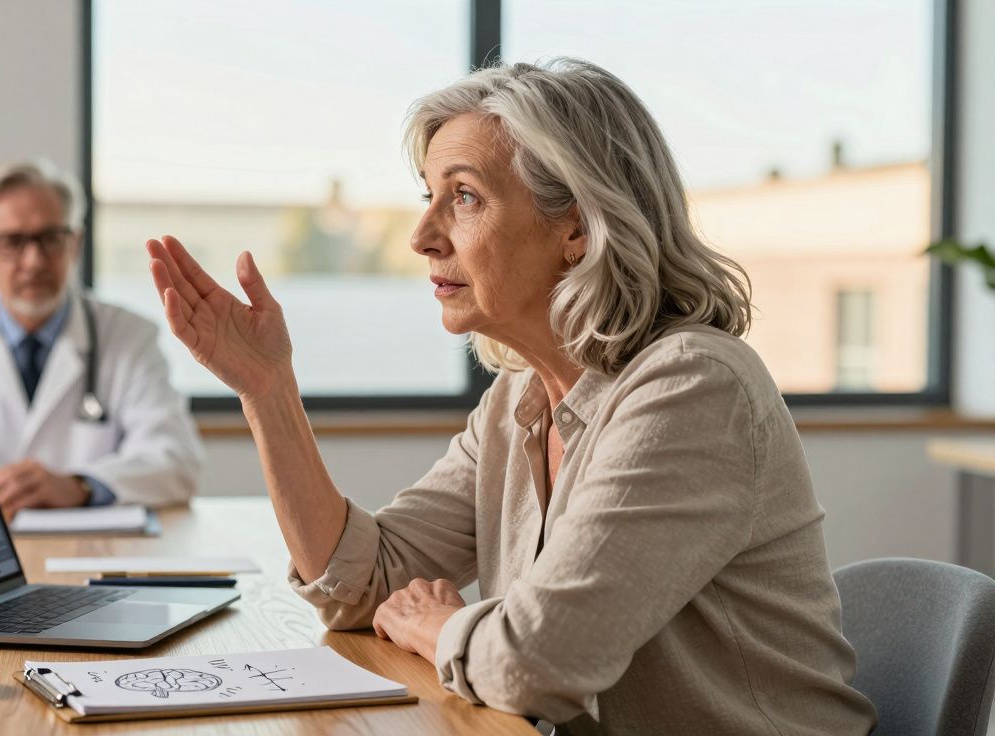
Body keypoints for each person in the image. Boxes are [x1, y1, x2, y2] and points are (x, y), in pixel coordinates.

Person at [144, 60, 877, 734]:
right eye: (429, 198)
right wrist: (269, 393)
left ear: (579, 228)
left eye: (463, 197)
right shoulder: (518, 399)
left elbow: (536, 666)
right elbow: (364, 584)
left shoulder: (692, 387)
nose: (424, 236)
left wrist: (441, 627)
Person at [0, 160, 202, 517]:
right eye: (11, 242)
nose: (34, 261)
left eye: (51, 238)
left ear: (75, 244)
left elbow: (176, 461)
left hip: (94, 552)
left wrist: (80, 486)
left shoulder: (129, 335)